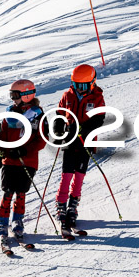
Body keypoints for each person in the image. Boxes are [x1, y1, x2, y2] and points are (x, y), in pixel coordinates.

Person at [0, 79, 48, 247]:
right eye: (11, 95)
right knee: (8, 192)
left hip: (27, 160)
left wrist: (25, 150)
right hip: (9, 159)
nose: (12, 99)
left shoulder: (37, 114)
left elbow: (42, 139)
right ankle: (2, 222)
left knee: (21, 192)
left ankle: (17, 221)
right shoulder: (8, 113)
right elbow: (1, 136)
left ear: (26, 95)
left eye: (15, 95)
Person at [53, 64, 105, 236]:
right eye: (76, 85)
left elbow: (99, 118)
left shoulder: (97, 97)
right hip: (70, 139)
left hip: (86, 141)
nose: (79, 89)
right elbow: (60, 113)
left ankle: (72, 207)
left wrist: (85, 128)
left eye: (82, 86)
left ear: (92, 83)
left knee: (79, 175)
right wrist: (58, 127)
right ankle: (61, 206)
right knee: (66, 174)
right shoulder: (67, 95)